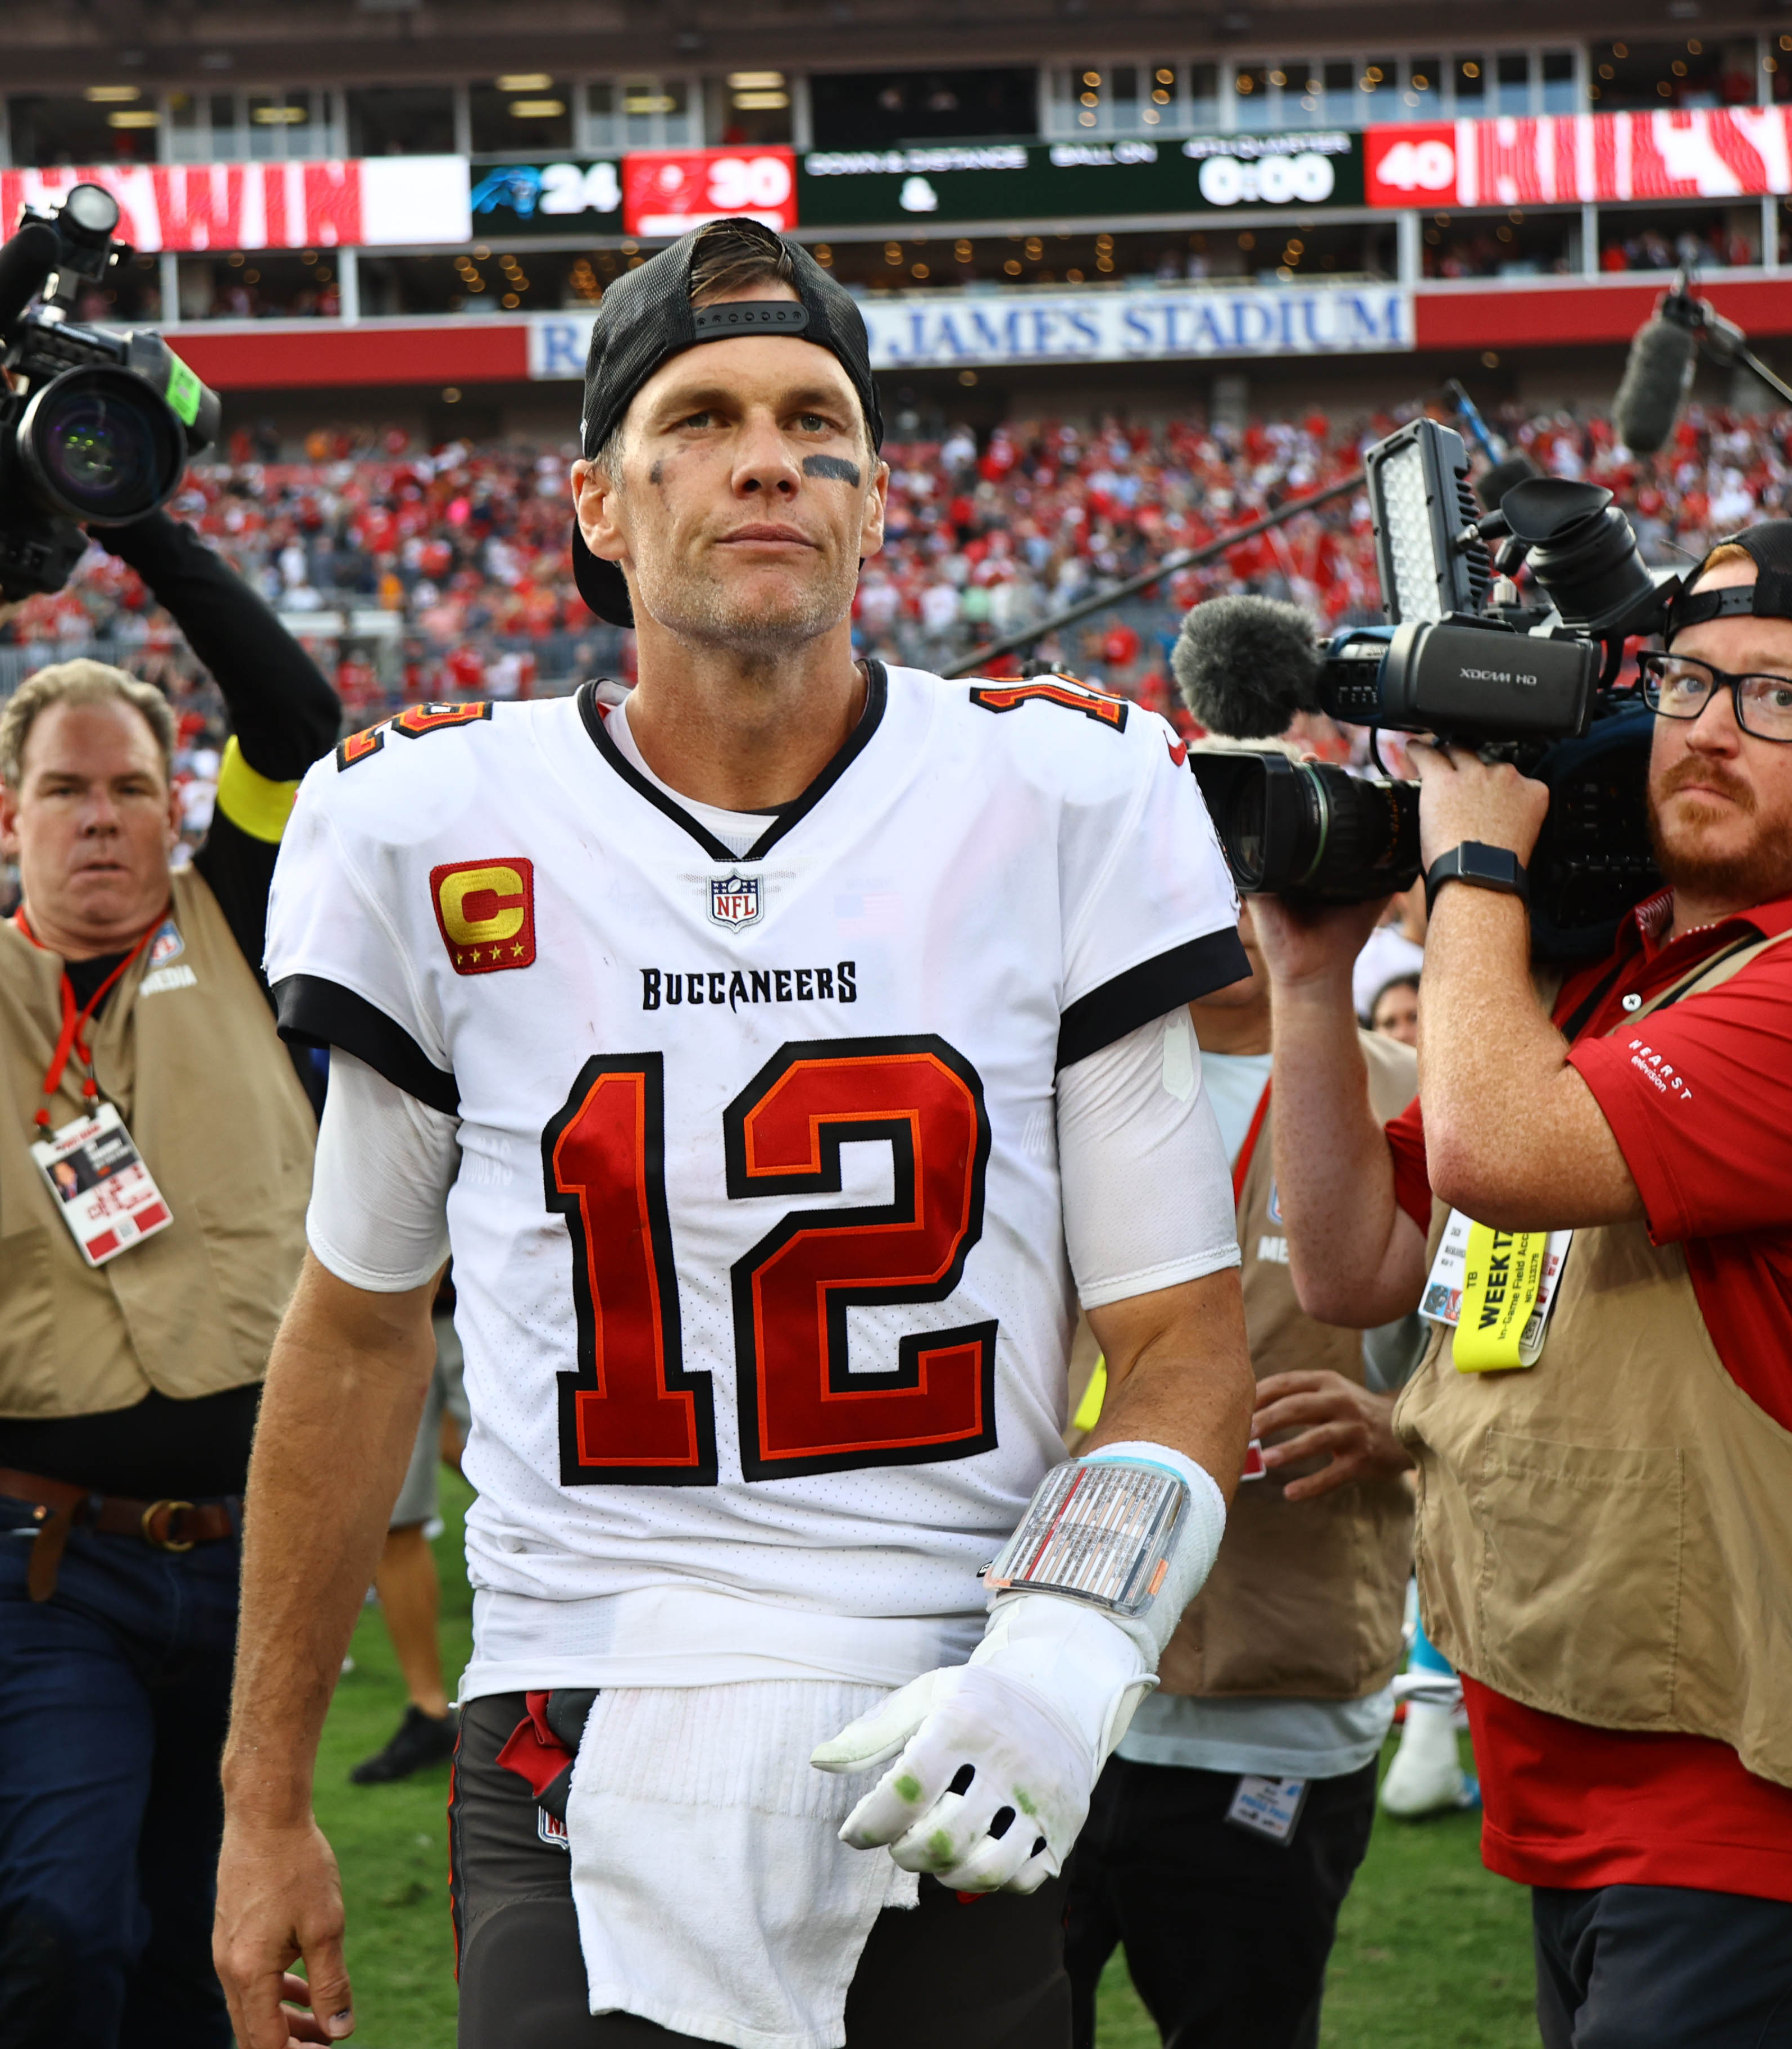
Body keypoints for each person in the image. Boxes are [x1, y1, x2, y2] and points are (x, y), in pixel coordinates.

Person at [213, 215, 1255, 2049]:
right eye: (698, 417)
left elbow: (1181, 1344)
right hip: (582, 1706)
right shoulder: (428, 823)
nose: (767, 451)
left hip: (956, 1700)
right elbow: (361, 1324)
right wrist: (260, 1792)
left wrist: (1073, 1642)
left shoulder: (1070, 792)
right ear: (600, 505)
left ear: (872, 499)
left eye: (815, 418)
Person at [1258, 519, 1792, 2049]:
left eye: (1784, 700)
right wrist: (1307, 972)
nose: (1713, 729)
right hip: (1593, 1782)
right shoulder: (1632, 985)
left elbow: (1489, 1155)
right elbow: (1350, 1264)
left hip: (1769, 1803)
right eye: (1687, 681)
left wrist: (1470, 857)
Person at [0, 507, 340, 2047]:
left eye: (131, 789)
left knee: (201, 1948)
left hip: (252, 1557)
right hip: (38, 1560)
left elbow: (296, 721)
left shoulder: (234, 925)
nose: (101, 818)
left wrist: (135, 519)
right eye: (66, 791)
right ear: (8, 810)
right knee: (59, 1922)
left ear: (177, 808)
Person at [1058, 891, 1419, 2049]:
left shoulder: (1414, 1094)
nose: (1224, 900)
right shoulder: (1050, 1085)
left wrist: (1401, 1421)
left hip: (1277, 1701)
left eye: (1256, 867)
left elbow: (1530, 1367)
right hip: (1038, 1685)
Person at [348, 1274, 467, 1787]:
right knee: (391, 1517)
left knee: (542, 1494)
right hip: (390, 1311)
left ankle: (575, 1692)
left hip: (492, 1298)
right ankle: (430, 1712)